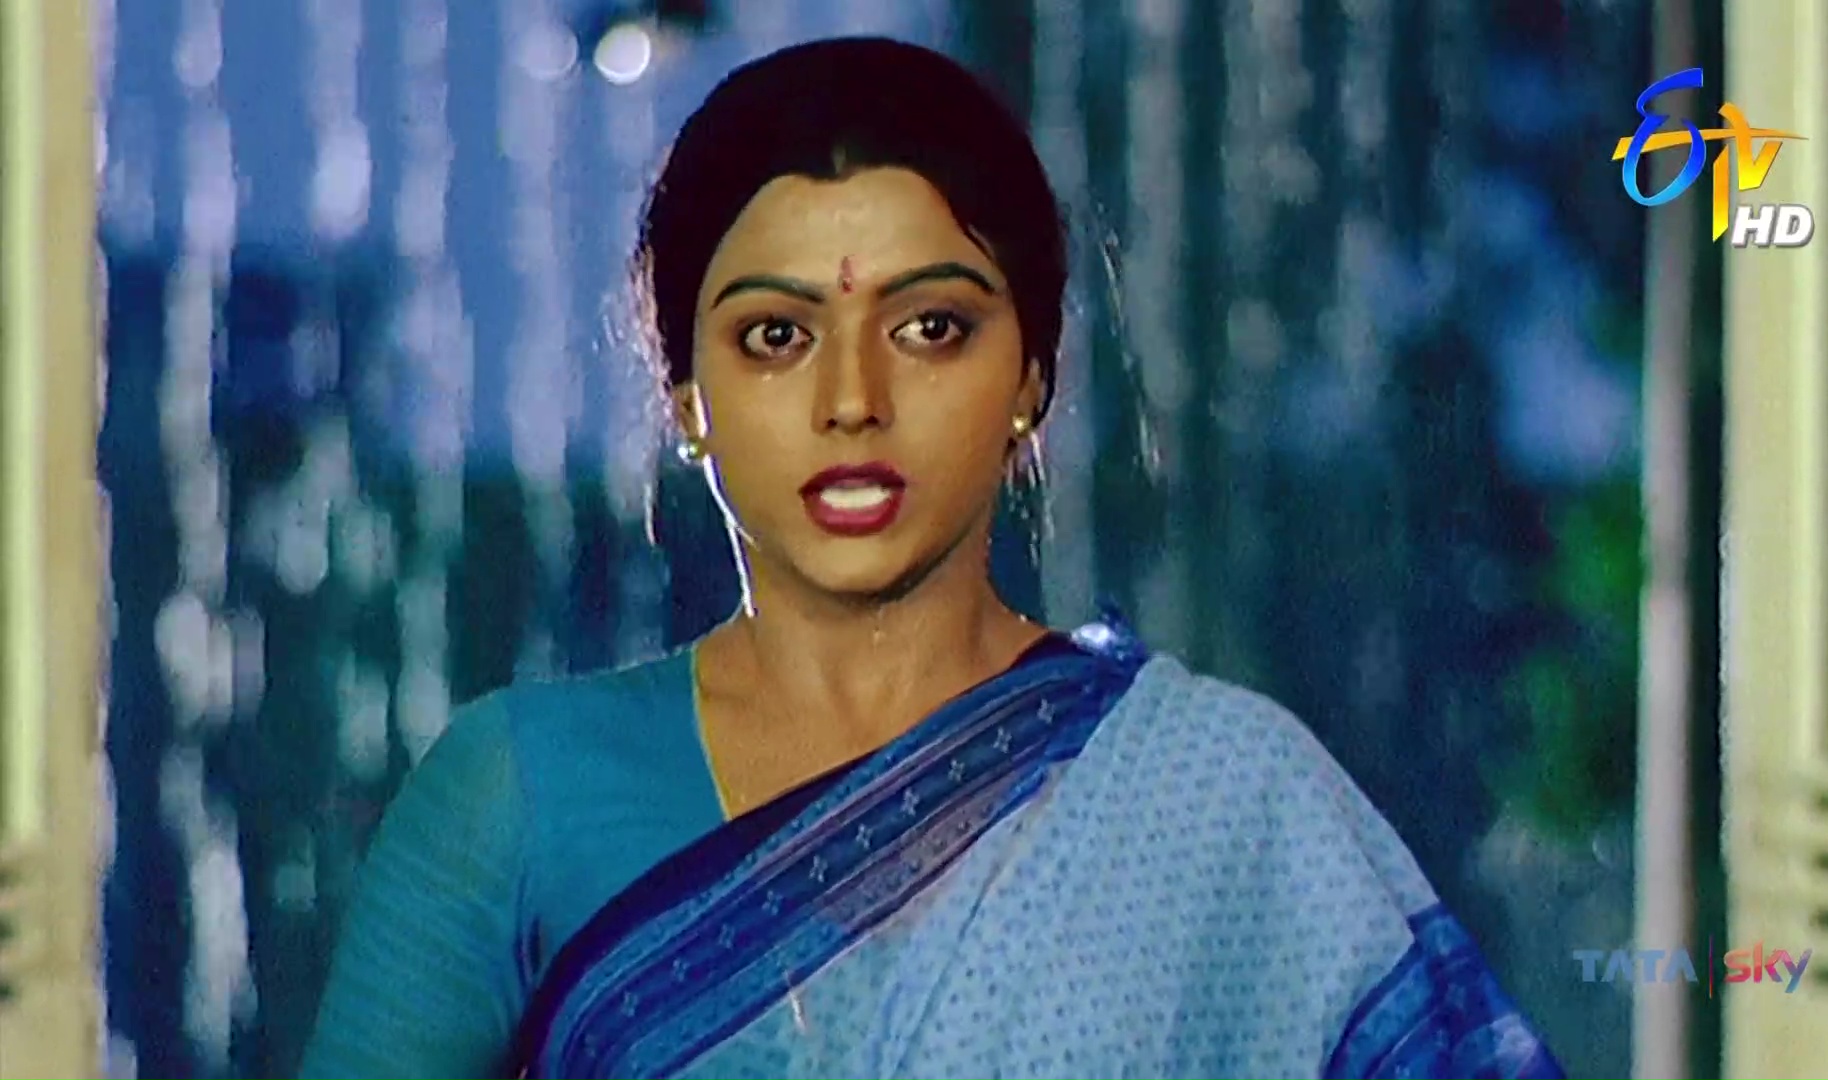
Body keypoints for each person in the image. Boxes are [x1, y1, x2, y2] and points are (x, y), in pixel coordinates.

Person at [299, 36, 1565, 1080]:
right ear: (687, 398)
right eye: (777, 336)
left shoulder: (1224, 799)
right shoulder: (513, 798)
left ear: (1031, 379)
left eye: (931, 327)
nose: (853, 398)